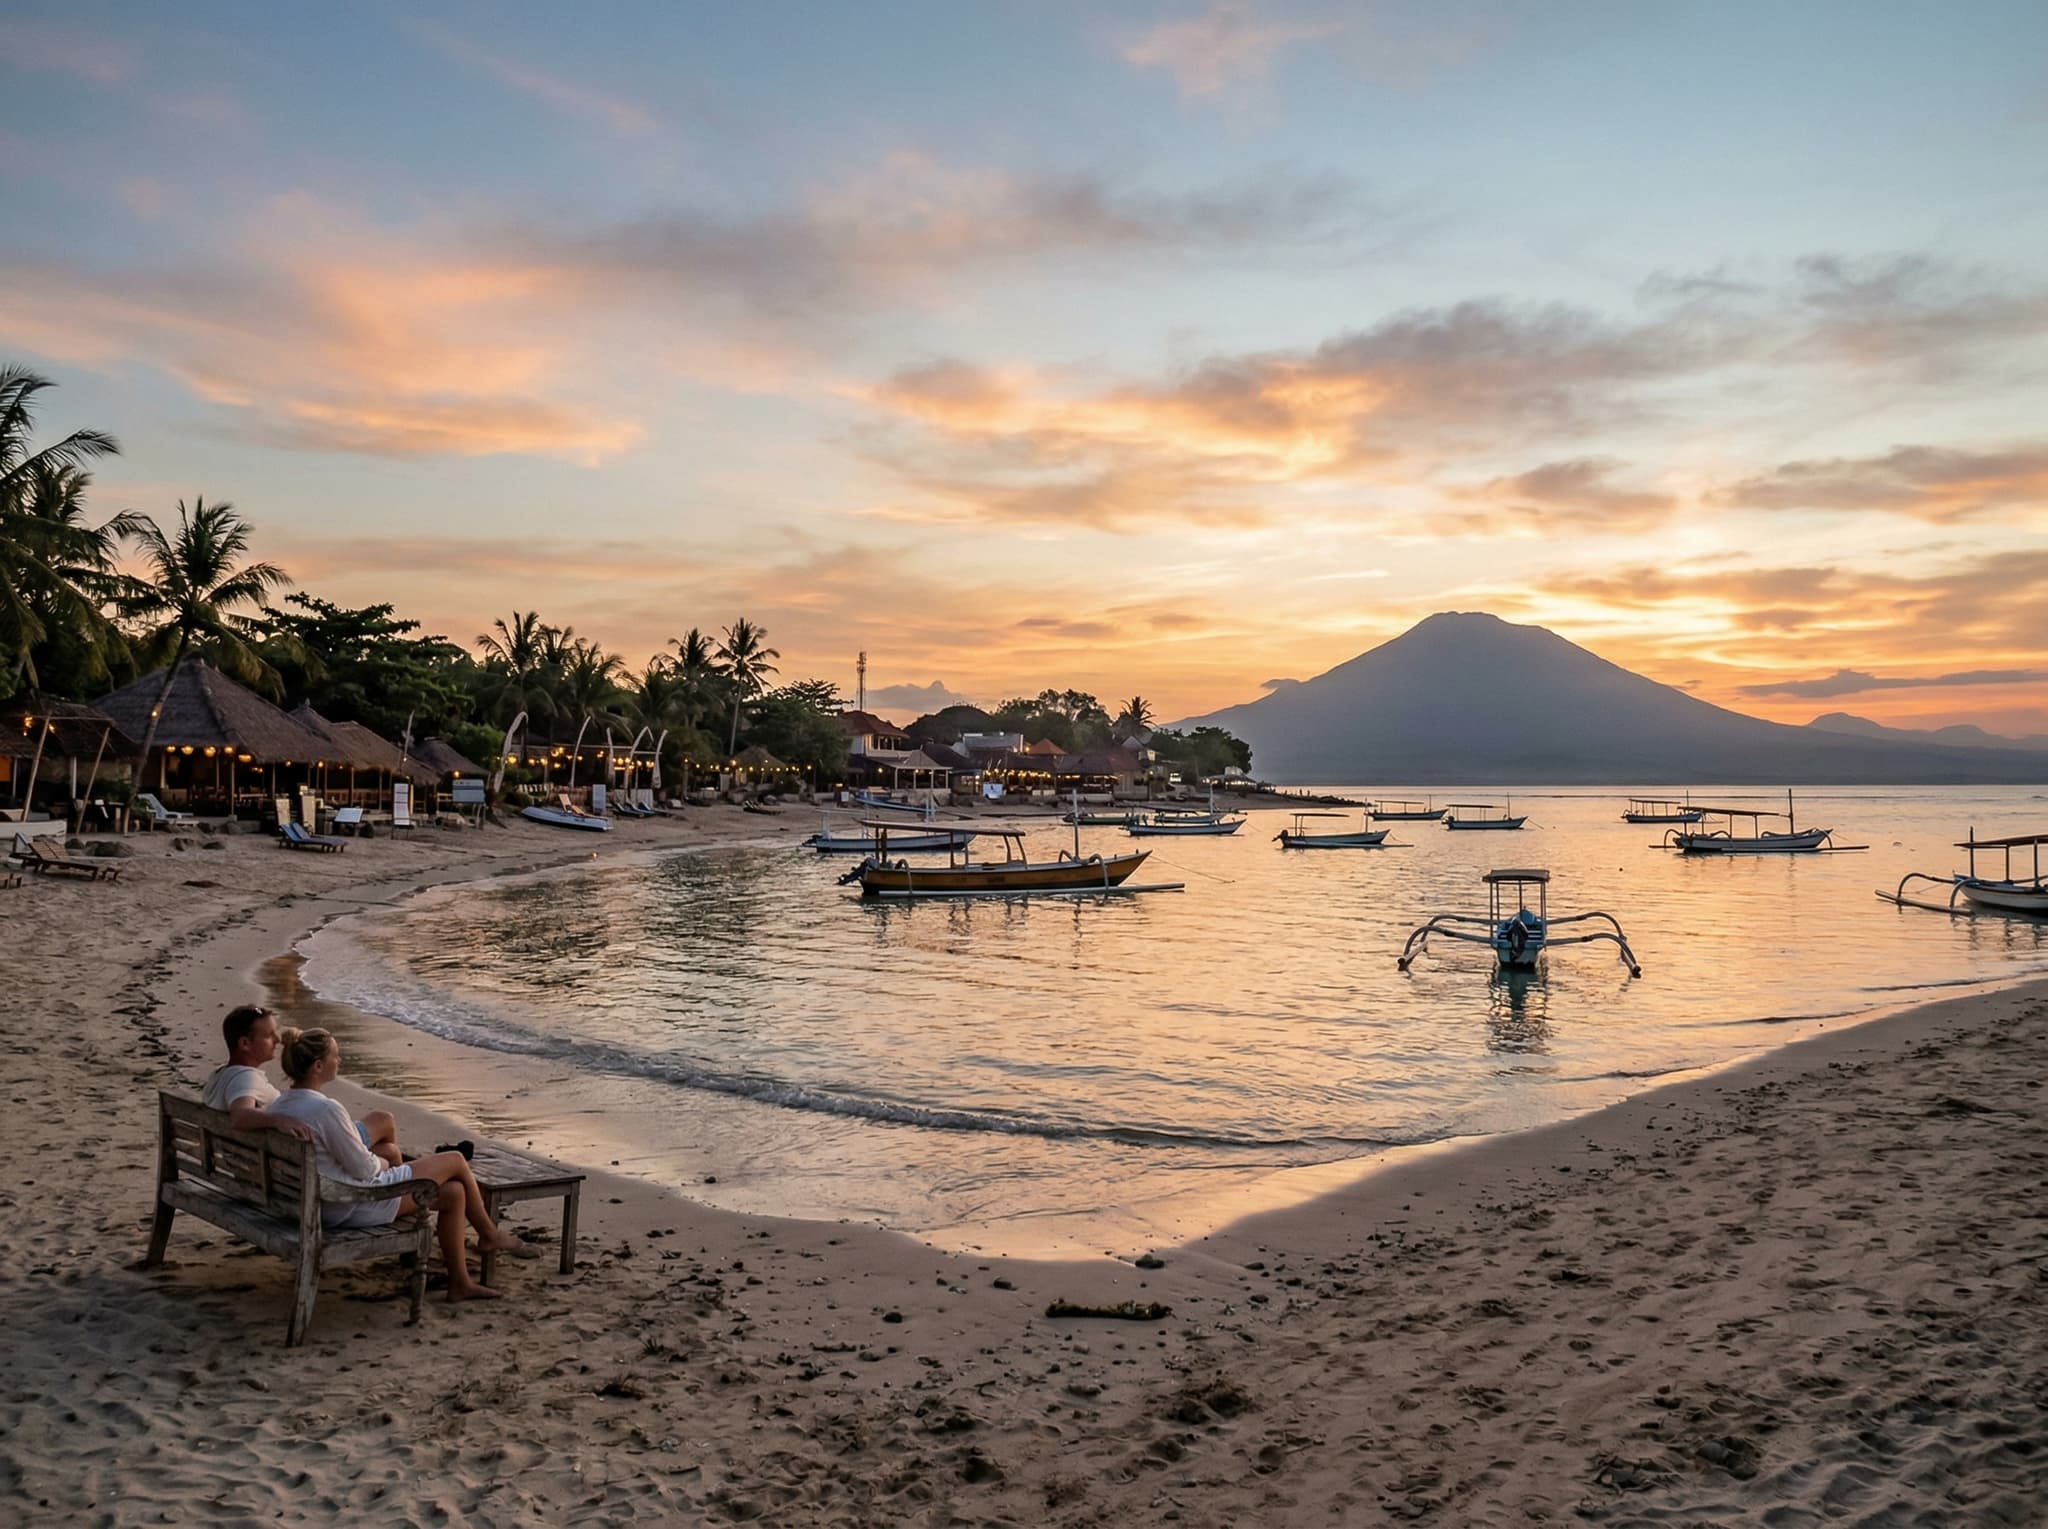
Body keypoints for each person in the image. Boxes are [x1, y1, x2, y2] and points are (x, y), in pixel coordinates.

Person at [266, 1025, 531, 1302]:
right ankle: (489, 1235)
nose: (340, 1061)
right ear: (318, 1066)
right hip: (347, 1205)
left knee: (454, 1193)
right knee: (454, 1160)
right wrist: (387, 1161)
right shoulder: (326, 1110)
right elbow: (365, 1170)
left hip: (312, 1201)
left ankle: (460, 1284)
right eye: (336, 1056)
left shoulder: (279, 1106)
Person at [202, 1006, 402, 1165]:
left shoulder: (220, 1075)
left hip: (258, 1164)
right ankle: (394, 1193)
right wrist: (279, 1120)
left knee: (385, 1147)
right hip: (284, 1161)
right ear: (245, 1043)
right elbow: (240, 1116)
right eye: (269, 1035)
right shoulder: (245, 1079)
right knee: (384, 1122)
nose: (277, 1039)